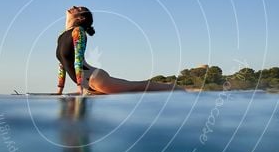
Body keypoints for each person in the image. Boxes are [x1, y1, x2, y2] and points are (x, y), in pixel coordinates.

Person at [56, 6, 187, 95]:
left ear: (80, 18)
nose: (73, 6)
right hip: (88, 85)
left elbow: (78, 60)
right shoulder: (61, 35)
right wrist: (59, 90)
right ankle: (174, 88)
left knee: (137, 87)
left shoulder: (78, 32)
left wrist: (79, 88)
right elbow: (62, 63)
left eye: (78, 8)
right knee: (134, 87)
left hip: (95, 79)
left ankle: (176, 88)